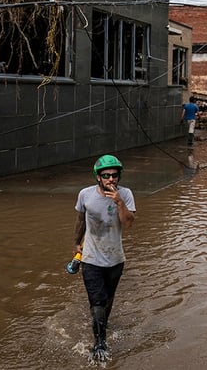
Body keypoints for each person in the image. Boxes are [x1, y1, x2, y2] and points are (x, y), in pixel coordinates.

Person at [73, 154, 136, 361]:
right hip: (90, 258)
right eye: (106, 175)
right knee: (97, 301)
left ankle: (101, 324)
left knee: (108, 300)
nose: (111, 179)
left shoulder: (125, 195)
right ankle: (99, 342)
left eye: (114, 175)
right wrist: (76, 243)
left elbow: (128, 223)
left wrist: (119, 203)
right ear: (98, 177)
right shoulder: (85, 195)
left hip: (115, 259)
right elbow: (81, 220)